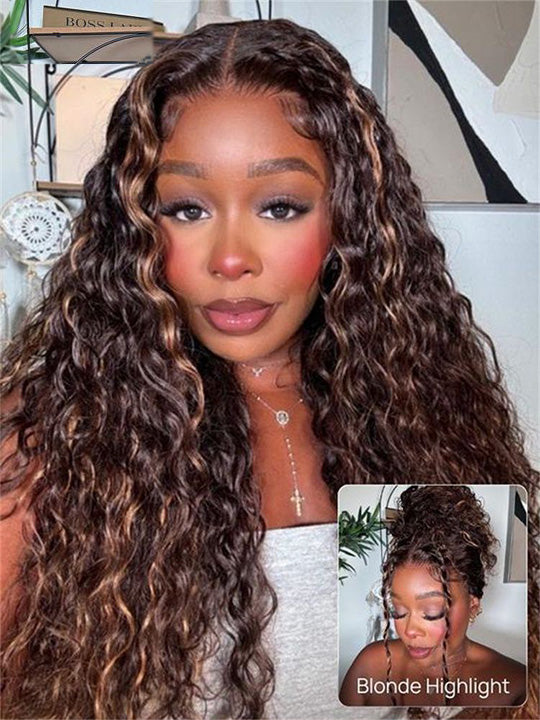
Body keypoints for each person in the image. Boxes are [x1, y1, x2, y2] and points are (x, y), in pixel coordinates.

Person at [0, 17, 537, 720]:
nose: (231, 258)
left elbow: (482, 693)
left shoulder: (421, 411)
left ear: (347, 219)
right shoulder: (52, 439)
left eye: (280, 206)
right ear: (137, 227)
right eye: (186, 209)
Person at [339, 486, 526, 709]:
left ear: (473, 606)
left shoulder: (516, 687)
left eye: (431, 612)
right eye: (398, 610)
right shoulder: (370, 666)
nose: (409, 631)